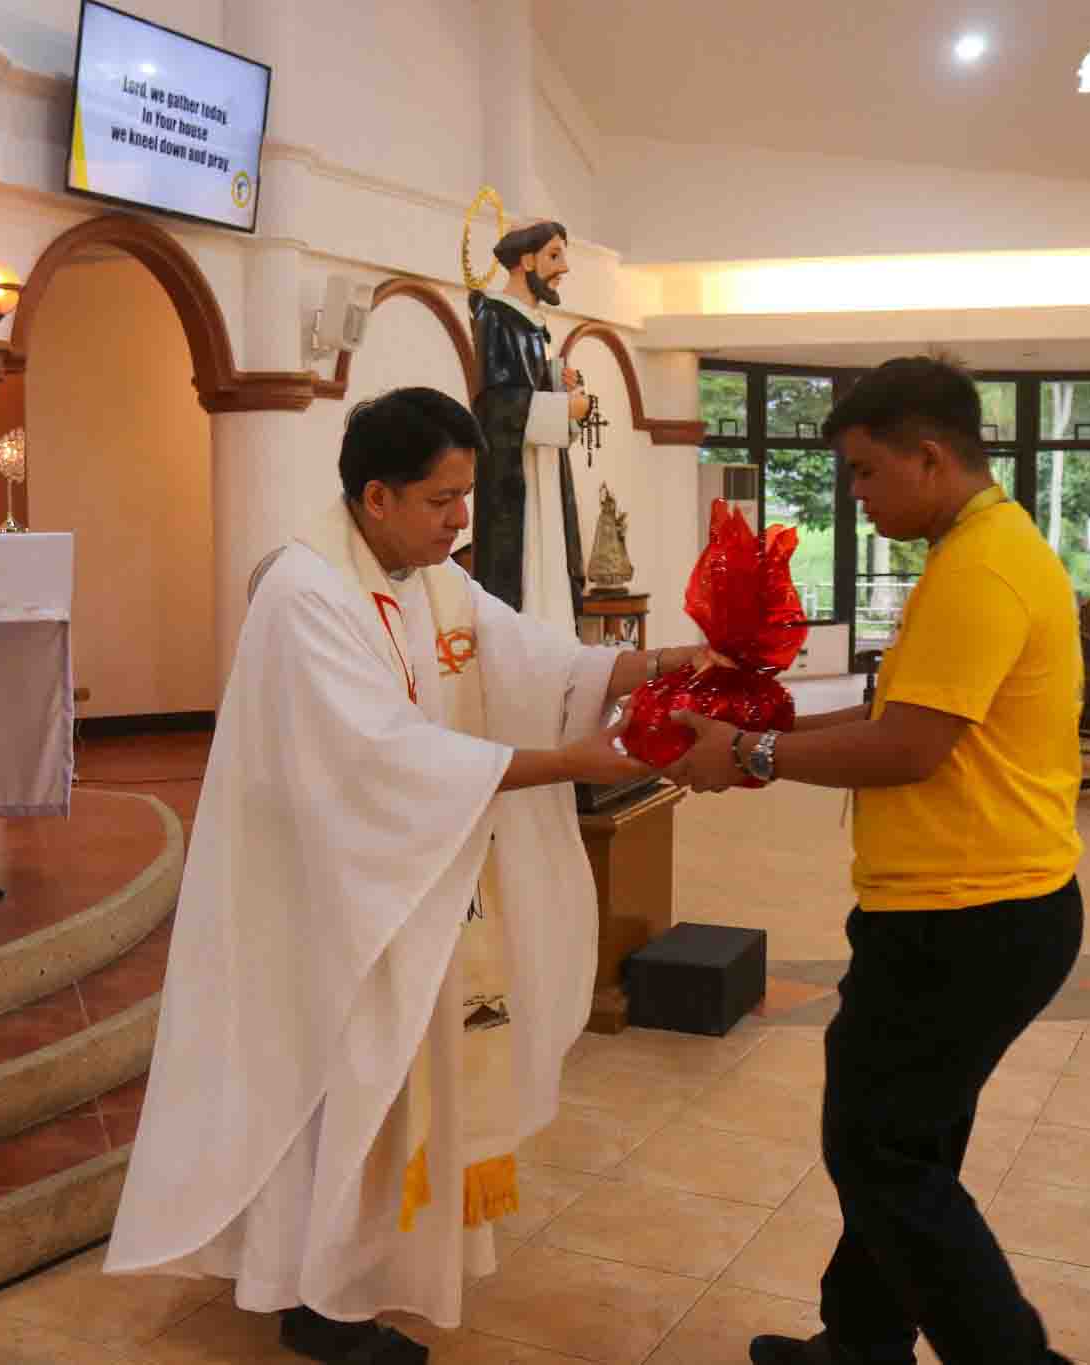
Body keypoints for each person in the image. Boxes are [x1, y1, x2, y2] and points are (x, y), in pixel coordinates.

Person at [105, 387, 717, 1363]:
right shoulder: (307, 594)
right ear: (377, 495)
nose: (459, 518)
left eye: (465, 495)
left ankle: (371, 1274)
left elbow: (539, 662)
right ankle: (319, 1302)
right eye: (442, 499)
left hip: (410, 880)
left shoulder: (432, 579)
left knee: (404, 1087)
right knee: (349, 1085)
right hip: (330, 897)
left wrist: (664, 665)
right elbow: (375, 758)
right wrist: (567, 763)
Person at [664, 357, 1082, 1365]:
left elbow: (907, 749)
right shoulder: (982, 547)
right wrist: (763, 730)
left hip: (967, 918)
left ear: (928, 457)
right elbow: (899, 712)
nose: (853, 494)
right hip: (976, 906)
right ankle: (860, 1344)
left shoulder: (978, 569)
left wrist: (751, 756)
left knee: (881, 1153)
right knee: (903, 1148)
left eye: (863, 470)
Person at [468, 220, 590, 626]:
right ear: (526, 261)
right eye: (554, 255)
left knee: (551, 577)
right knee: (526, 586)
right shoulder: (495, 317)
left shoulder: (534, 324)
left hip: (544, 474)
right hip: (515, 487)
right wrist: (564, 409)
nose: (564, 267)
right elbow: (495, 407)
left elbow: (529, 392)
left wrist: (561, 388)